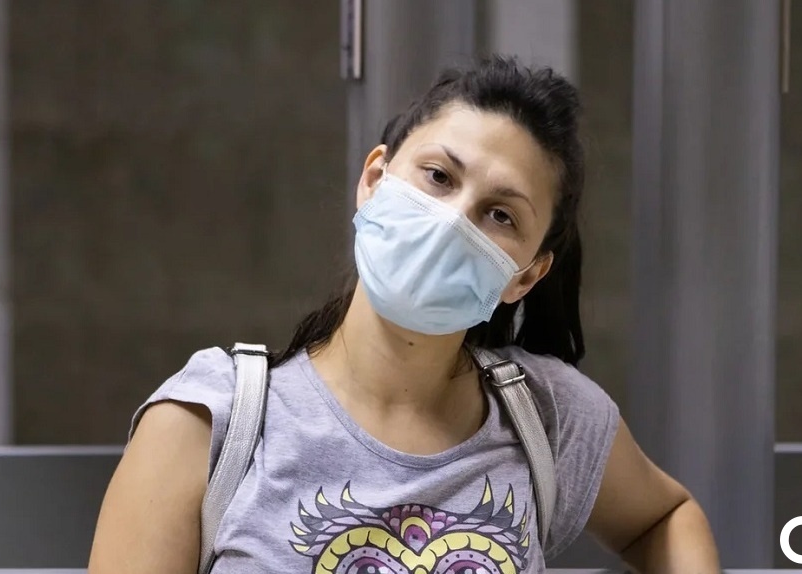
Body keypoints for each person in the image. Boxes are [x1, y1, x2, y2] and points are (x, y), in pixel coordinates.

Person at [88, 56, 719, 573]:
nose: (453, 222)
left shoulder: (550, 414)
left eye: (500, 215)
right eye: (439, 177)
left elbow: (664, 518)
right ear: (374, 178)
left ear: (526, 275)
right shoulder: (209, 421)